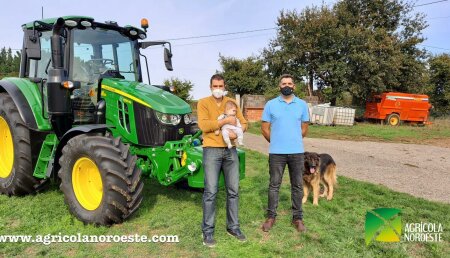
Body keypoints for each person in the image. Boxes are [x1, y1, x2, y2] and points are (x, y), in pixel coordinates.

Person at [197, 74, 248, 247]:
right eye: (215, 86)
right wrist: (225, 121)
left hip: (230, 150)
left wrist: (236, 132)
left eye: (221, 86)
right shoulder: (203, 102)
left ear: (225, 86)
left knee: (233, 190)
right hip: (211, 150)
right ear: (210, 86)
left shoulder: (232, 102)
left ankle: (233, 227)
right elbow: (204, 126)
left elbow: (243, 122)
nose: (218, 88)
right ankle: (208, 232)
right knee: (210, 192)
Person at [260, 74, 310, 233]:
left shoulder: (302, 105)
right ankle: (271, 217)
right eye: (283, 83)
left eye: (289, 83)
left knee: (297, 185)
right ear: (279, 86)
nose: (286, 85)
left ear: (294, 86)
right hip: (277, 153)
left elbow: (304, 128)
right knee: (274, 185)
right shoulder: (270, 104)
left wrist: (293, 139)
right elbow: (264, 128)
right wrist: (276, 142)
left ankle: (298, 218)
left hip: (297, 153)